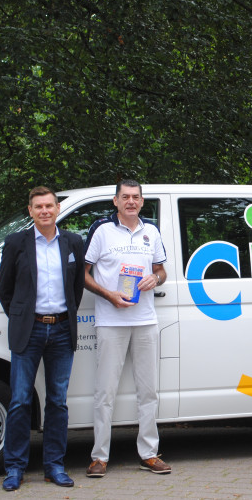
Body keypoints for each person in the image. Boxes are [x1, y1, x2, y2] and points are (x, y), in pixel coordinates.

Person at [0, 186, 85, 491]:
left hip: (61, 330)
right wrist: (21, 318)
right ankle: (15, 468)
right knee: (20, 401)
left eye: (49, 205)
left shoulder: (72, 241)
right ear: (31, 211)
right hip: (29, 331)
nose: (44, 211)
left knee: (57, 401)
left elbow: (76, 288)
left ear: (58, 208)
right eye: (38, 207)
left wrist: (62, 317)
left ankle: (54, 466)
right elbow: (3, 288)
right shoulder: (16, 243)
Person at [84, 179, 171, 478]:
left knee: (148, 392)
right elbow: (82, 274)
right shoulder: (102, 231)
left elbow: (161, 270)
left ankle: (149, 453)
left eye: (135, 197)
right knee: (104, 392)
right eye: (125, 197)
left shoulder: (152, 232)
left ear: (142, 202)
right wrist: (109, 295)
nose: (131, 201)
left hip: (145, 320)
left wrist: (155, 280)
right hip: (111, 321)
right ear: (115, 201)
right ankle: (99, 457)